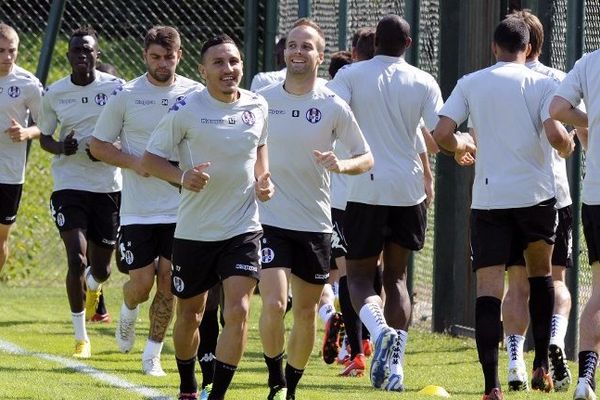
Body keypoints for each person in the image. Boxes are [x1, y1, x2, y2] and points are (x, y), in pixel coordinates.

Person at [434, 17, 574, 400]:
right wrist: (567, 147)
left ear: (494, 48)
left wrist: (460, 145)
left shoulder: (471, 82)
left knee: (490, 290)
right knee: (541, 277)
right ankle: (542, 366)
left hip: (490, 201)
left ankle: (491, 385)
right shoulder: (545, 82)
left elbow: (442, 135)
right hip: (537, 198)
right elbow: (555, 133)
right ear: (528, 49)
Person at [141, 34, 274, 400]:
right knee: (191, 315)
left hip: (243, 228)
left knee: (239, 310)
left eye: (233, 61)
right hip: (195, 231)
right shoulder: (186, 108)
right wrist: (182, 177)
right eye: (218, 63)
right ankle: (187, 384)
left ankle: (218, 395)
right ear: (202, 70)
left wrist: (264, 179)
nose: (228, 69)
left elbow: (260, 147)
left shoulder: (257, 105)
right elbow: (150, 159)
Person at [257, 18, 373, 400]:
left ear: (320, 57)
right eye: (292, 45)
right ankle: (275, 376)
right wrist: (259, 178)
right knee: (275, 303)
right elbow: (245, 148)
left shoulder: (332, 105)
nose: (298, 51)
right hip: (269, 220)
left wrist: (341, 165)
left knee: (306, 313)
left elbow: (366, 157)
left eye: (307, 46)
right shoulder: (263, 100)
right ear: (284, 51)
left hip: (314, 224)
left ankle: (290, 388)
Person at [327, 15, 441, 391]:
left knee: (358, 276)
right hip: (408, 190)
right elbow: (438, 135)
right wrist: (462, 145)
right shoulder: (423, 80)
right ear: (408, 44)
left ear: (374, 41)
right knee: (397, 278)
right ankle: (396, 368)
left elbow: (330, 116)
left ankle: (377, 332)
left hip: (363, 187)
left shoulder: (350, 76)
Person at [90, 25, 203, 376]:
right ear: (144, 57)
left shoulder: (195, 93)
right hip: (138, 210)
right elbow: (97, 145)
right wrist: (135, 162)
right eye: (155, 57)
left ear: (179, 56)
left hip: (181, 208)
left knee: (168, 282)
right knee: (141, 284)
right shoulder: (126, 95)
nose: (162, 64)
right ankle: (127, 310)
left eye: (169, 57)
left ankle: (152, 354)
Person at [500, 9, 583, 392]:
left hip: (505, 196)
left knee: (516, 283)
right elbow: (569, 137)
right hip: (554, 195)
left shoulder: (495, 80)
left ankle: (515, 362)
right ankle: (553, 340)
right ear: (539, 43)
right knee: (556, 280)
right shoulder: (558, 81)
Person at [38, 27, 123, 359]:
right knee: (76, 257)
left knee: (101, 269)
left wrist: (109, 148)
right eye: (76, 51)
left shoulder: (116, 89)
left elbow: (129, 132)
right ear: (69, 56)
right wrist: (63, 146)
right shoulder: (55, 93)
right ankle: (80, 337)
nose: (82, 56)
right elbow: (44, 136)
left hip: (107, 187)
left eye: (88, 50)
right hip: (69, 184)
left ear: (97, 55)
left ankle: (94, 285)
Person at [550, 48, 600, 400]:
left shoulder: (590, 62)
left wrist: (590, 121)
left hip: (596, 195)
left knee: (598, 294)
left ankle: (585, 379)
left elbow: (557, 110)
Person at [0, 23, 43, 273]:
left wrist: (26, 132)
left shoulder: (28, 83)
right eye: (1, 51)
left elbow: (46, 125)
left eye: (11, 51)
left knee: (1, 240)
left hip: (9, 173)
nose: (7, 57)